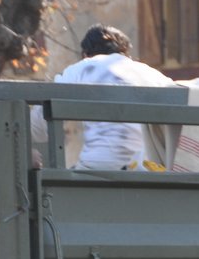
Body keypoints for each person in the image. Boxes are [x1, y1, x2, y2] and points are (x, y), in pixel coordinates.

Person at [48, 25, 176, 170]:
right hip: (149, 168)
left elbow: (38, 123)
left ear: (85, 54)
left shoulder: (84, 67)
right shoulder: (153, 75)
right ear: (126, 53)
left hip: (99, 168)